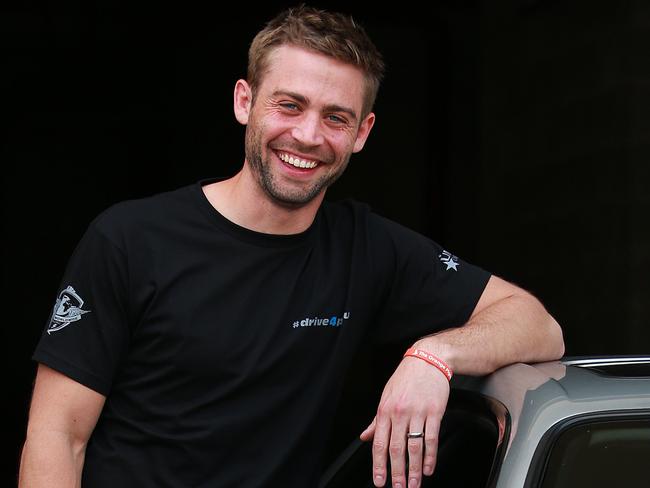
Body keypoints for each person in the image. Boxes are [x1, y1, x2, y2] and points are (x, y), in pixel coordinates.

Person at [18, 5, 564, 488]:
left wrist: (434, 357)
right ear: (244, 101)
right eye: (289, 105)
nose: (307, 135)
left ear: (362, 133)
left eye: (335, 117)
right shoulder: (130, 240)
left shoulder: (367, 248)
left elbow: (538, 326)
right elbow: (57, 438)